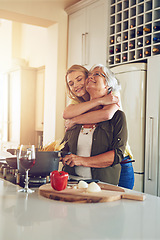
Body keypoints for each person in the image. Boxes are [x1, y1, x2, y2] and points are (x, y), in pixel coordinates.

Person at [61, 65, 128, 185]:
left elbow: (107, 114)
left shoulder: (114, 98)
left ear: (108, 86)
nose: (76, 85)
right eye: (71, 83)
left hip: (116, 170)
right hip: (74, 183)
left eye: (96, 74)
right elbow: (66, 146)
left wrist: (81, 160)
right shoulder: (78, 107)